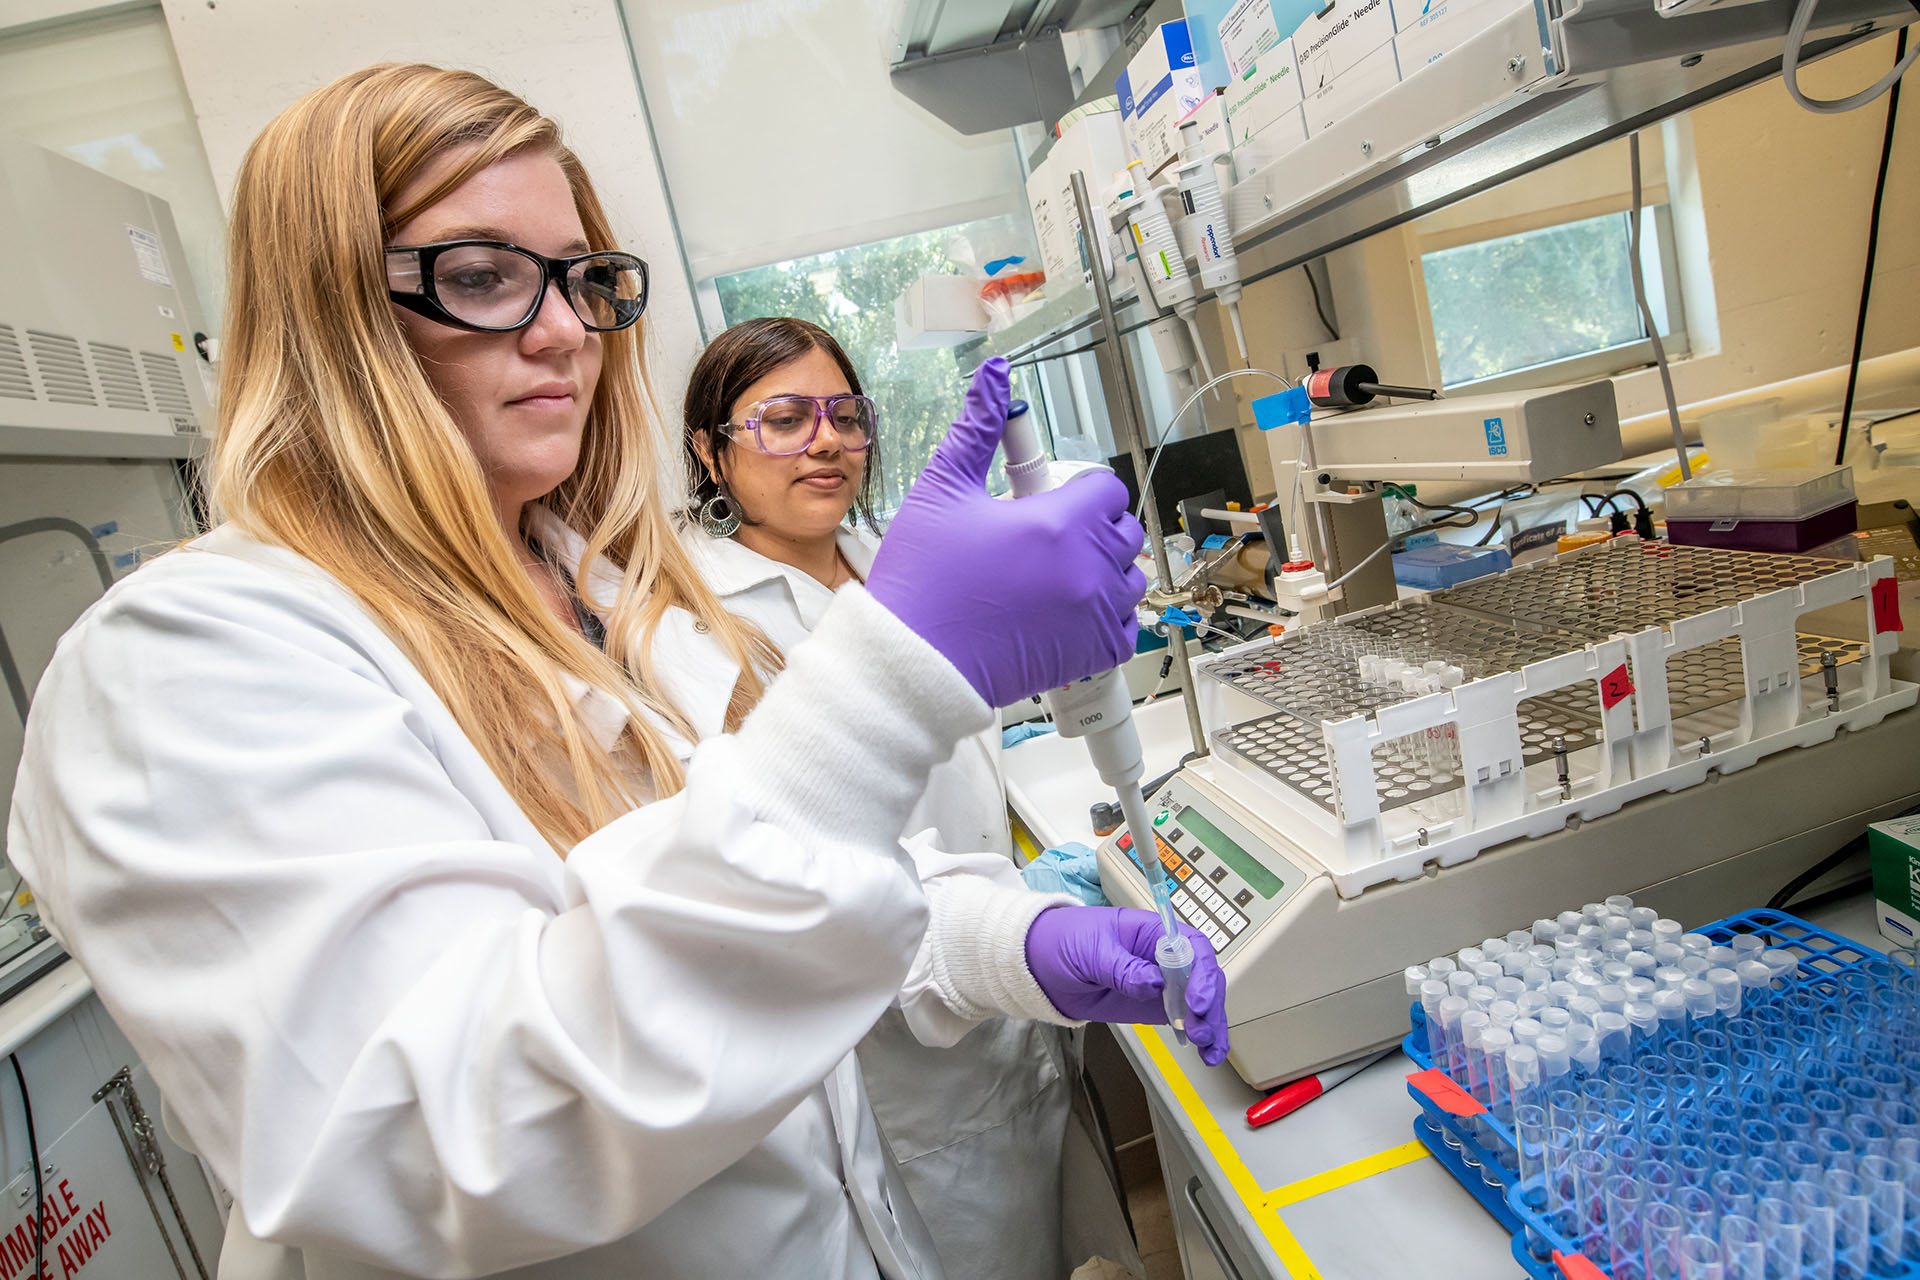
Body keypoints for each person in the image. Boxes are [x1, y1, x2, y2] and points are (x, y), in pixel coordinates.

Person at [5, 63, 1226, 1280]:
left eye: (587, 280)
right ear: (329, 314)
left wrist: (1009, 941)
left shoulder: (602, 590)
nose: (563, 330)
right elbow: (445, 1138)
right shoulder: (185, 660)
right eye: (480, 275)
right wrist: (894, 677)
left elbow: (777, 880)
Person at [625, 315, 1135, 1279]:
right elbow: (771, 868)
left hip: (1013, 989)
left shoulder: (882, 558)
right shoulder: (687, 627)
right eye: (782, 418)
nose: (824, 440)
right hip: (903, 1056)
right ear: (710, 450)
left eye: (843, 414)